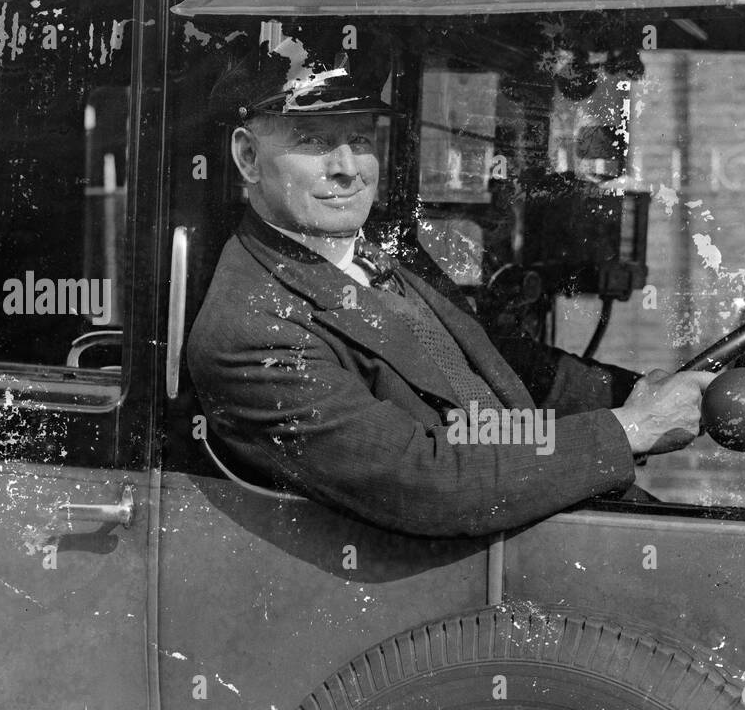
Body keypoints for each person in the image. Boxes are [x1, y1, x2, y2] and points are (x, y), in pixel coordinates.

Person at [186, 37, 715, 538]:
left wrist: (646, 392)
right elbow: (421, 479)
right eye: (315, 142)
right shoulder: (250, 331)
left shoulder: (386, 247)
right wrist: (629, 430)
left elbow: (492, 358)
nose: (347, 169)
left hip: (544, 512)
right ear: (248, 158)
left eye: (360, 140)